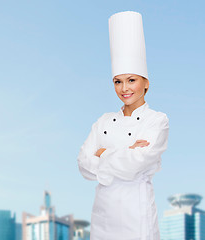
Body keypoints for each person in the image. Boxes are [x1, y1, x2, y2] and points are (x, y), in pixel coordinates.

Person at [77, 11, 169, 240]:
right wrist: (126, 152)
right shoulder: (104, 121)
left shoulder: (157, 120)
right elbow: (83, 165)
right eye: (118, 81)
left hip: (136, 215)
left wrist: (103, 153)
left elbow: (136, 163)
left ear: (146, 83)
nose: (124, 88)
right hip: (103, 215)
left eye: (131, 80)